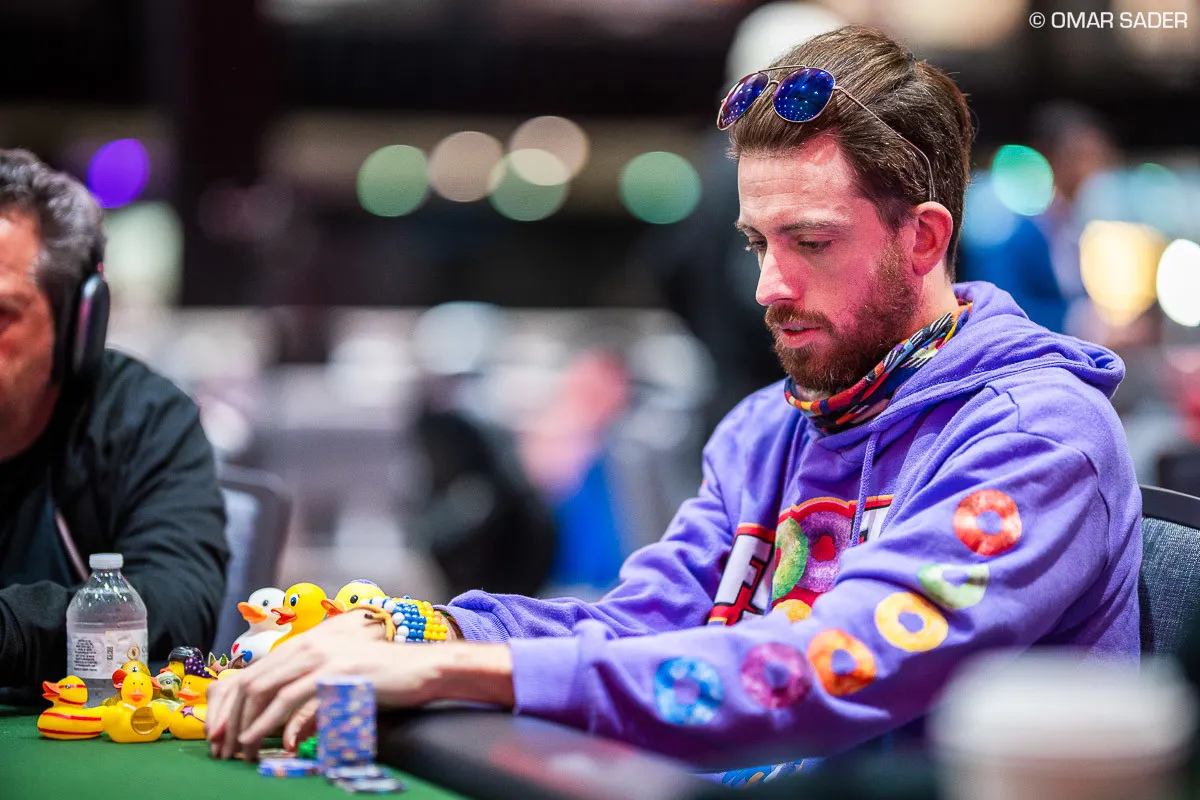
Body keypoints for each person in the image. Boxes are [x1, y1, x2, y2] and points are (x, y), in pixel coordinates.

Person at [206, 26, 1141, 775]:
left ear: (924, 239)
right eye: (757, 243)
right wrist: (414, 628)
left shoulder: (1038, 437)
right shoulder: (766, 429)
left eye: (810, 243)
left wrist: (446, 670)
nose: (768, 286)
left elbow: (822, 668)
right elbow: (636, 626)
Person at [0, 149, 229, 691]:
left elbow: (176, 609)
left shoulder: (146, 421)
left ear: (78, 326)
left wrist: (11, 631)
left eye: (2, 314)